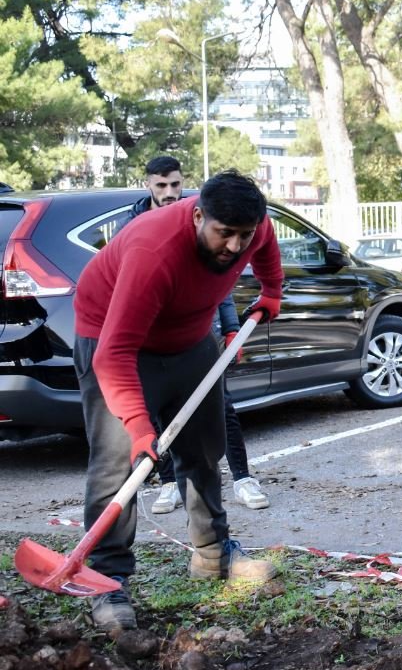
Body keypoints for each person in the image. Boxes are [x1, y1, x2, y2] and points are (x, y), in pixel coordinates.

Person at [76, 169, 285, 632]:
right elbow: (115, 352)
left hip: (190, 340)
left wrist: (272, 291)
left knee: (204, 448)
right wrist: (136, 425)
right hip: (115, 341)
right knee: (119, 465)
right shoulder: (152, 251)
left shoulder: (254, 227)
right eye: (223, 233)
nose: (234, 246)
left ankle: (212, 554)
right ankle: (107, 578)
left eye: (242, 235)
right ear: (196, 216)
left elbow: (266, 247)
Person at [130, 156, 270, 514]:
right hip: (156, 335)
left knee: (219, 406)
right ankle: (169, 484)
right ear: (147, 184)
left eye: (175, 184)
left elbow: (219, 284)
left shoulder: (205, 216)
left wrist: (232, 328)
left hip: (201, 329)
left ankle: (242, 478)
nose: (170, 192)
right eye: (161, 185)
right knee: (160, 411)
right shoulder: (137, 223)